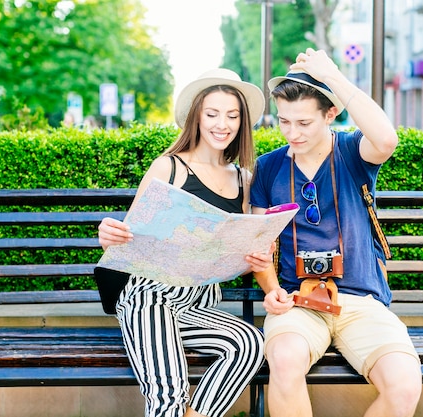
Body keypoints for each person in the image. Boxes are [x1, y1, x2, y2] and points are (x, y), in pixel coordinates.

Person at [250, 48, 423, 417]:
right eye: (284, 121)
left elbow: (387, 139)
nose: (292, 133)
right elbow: (259, 247)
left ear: (330, 114)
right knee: (283, 361)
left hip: (362, 300)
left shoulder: (352, 152)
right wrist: (271, 290)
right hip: (297, 301)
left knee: (404, 384)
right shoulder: (268, 169)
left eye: (304, 123)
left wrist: (332, 76)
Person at [97, 68, 274, 417]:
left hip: (199, 303)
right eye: (212, 114)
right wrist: (109, 236)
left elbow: (247, 245)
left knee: (251, 343)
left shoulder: (244, 179)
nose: (222, 124)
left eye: (232, 115)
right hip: (150, 296)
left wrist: (257, 250)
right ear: (196, 117)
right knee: (169, 395)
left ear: (242, 123)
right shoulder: (169, 168)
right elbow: (127, 241)